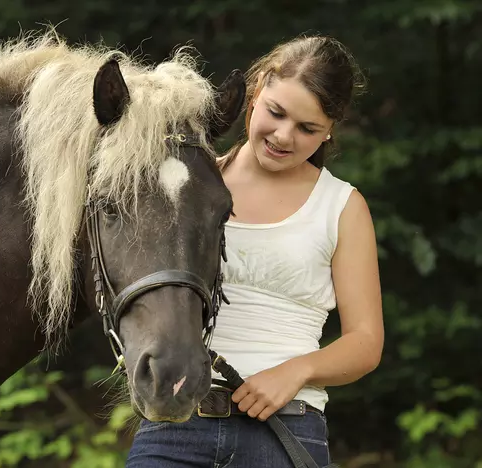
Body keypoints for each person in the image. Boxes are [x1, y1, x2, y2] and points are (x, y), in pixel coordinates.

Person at [126, 34, 384, 468]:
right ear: (258, 87)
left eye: (308, 129)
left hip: (285, 430)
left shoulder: (341, 206)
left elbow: (365, 342)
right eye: (276, 112)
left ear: (330, 130)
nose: (284, 136)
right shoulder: (189, 183)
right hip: (176, 424)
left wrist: (295, 371)